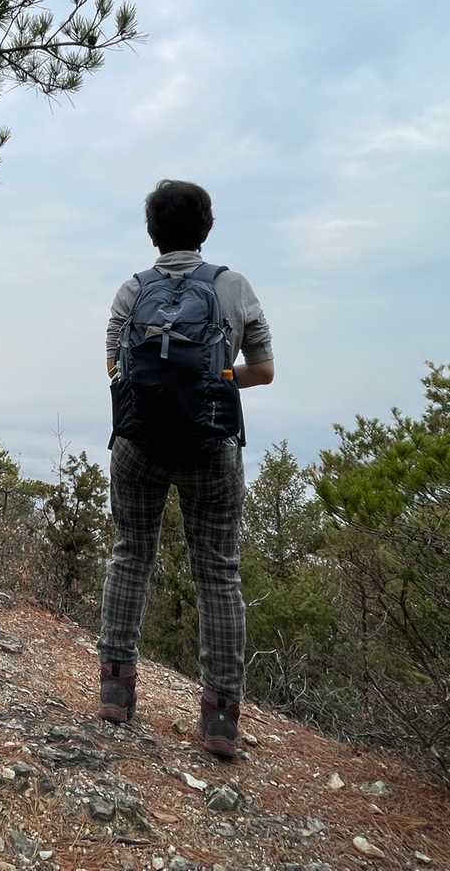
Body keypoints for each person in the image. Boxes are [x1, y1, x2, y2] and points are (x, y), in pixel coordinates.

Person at [99, 180, 274, 759]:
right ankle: (220, 716)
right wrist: (222, 377)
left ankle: (116, 689)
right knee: (218, 574)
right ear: (207, 228)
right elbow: (264, 370)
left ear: (152, 233)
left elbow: (114, 369)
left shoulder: (131, 291)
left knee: (130, 556)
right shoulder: (234, 286)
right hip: (211, 444)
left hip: (138, 443)